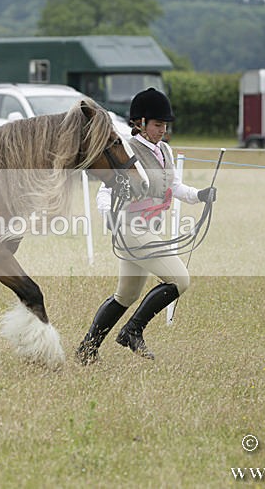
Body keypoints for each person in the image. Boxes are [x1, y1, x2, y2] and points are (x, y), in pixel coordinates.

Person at [76, 87, 217, 365]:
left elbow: (173, 186)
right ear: (139, 124)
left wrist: (199, 195)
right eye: (157, 124)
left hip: (149, 228)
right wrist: (111, 218)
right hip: (131, 228)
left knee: (126, 294)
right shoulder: (128, 150)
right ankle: (132, 331)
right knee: (180, 280)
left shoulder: (165, 150)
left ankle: (87, 349)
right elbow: (105, 192)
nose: (162, 130)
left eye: (165, 125)